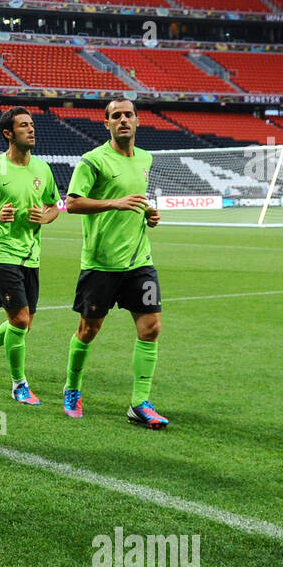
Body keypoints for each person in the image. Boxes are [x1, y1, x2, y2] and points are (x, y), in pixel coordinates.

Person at [62, 97, 167, 429]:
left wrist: (149, 215)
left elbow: (136, 202)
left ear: (138, 121)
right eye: (116, 116)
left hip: (140, 261)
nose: (123, 120)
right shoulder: (93, 161)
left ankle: (139, 403)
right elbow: (72, 204)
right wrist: (114, 203)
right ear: (105, 123)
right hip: (101, 264)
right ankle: (72, 388)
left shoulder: (146, 158)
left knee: (151, 327)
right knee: (88, 330)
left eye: (129, 115)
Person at [0, 106, 61, 406]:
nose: (31, 129)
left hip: (31, 255)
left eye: (32, 124)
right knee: (19, 321)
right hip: (1, 253)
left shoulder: (43, 169)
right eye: (23, 126)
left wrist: (45, 217)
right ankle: (19, 384)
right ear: (9, 133)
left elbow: (54, 205)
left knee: (26, 323)